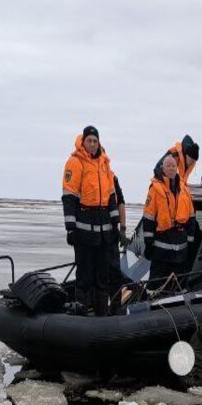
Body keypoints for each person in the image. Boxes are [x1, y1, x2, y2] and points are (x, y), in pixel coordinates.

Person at [61, 125, 120, 315]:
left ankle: (101, 315)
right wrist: (70, 228)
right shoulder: (76, 162)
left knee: (102, 276)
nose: (93, 144)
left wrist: (115, 224)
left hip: (103, 231)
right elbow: (69, 196)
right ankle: (82, 314)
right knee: (85, 275)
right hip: (84, 229)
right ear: (83, 142)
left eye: (95, 141)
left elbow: (112, 197)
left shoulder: (104, 164)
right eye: (89, 141)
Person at [141, 152, 197, 287]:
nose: (171, 168)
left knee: (178, 288)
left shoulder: (185, 189)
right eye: (168, 166)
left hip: (181, 252)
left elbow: (191, 218)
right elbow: (148, 218)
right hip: (161, 251)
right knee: (156, 286)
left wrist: (191, 243)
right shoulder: (155, 189)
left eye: (173, 165)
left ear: (177, 168)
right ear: (163, 168)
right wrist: (148, 243)